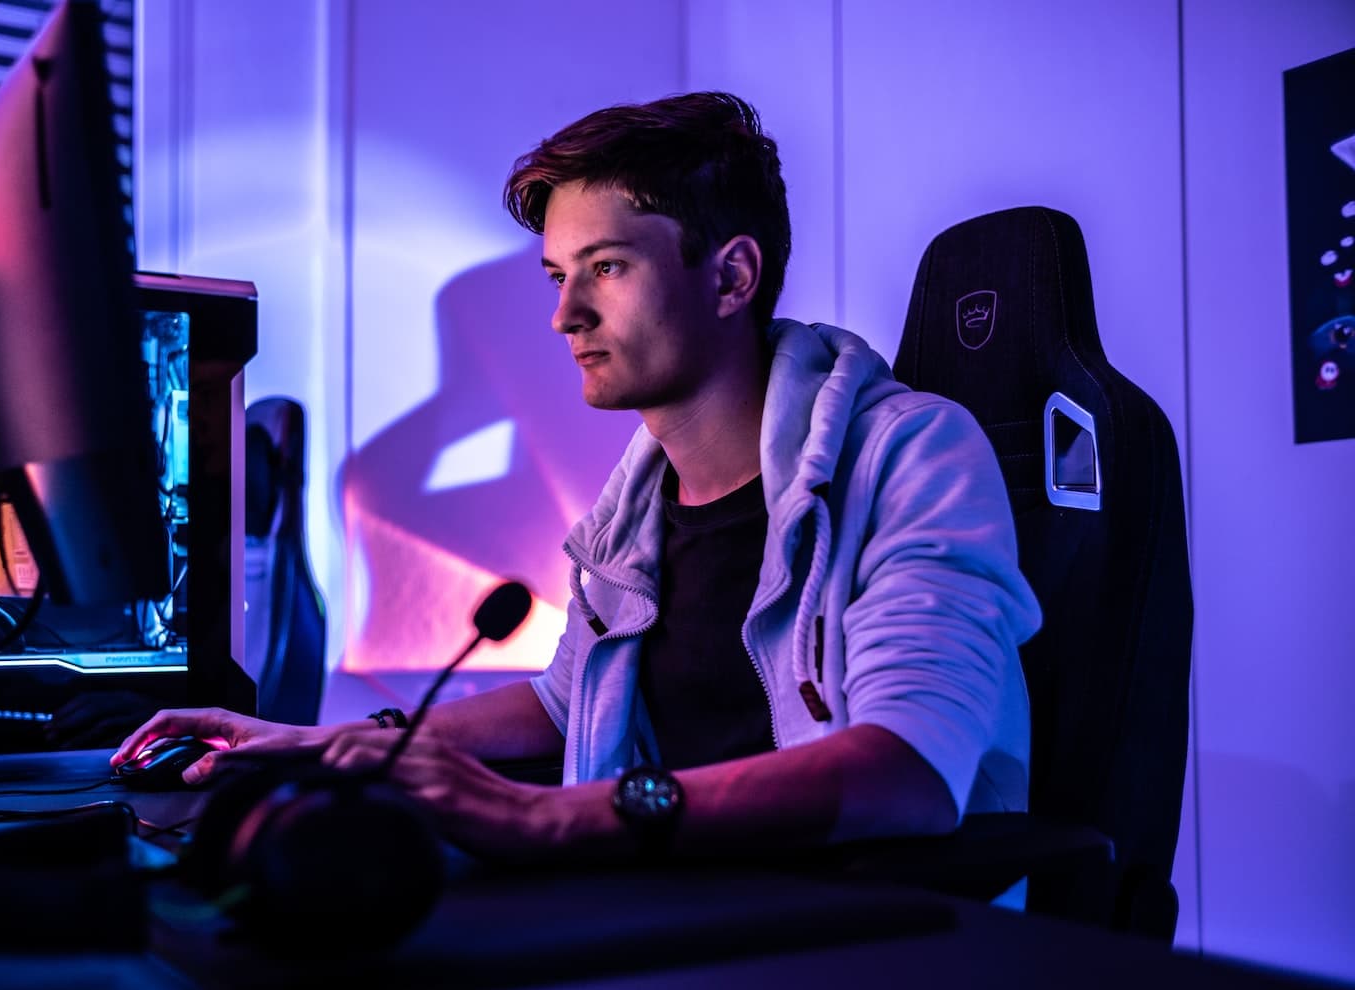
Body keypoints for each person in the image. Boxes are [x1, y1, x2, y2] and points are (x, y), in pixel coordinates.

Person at [113, 91, 1041, 863]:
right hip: (684, 912)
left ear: (731, 279)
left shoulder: (909, 456)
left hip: (862, 945)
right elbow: (566, 702)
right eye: (558, 274)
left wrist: (540, 816)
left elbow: (905, 769)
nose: (565, 315)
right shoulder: (630, 513)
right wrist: (327, 748)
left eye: (605, 267)